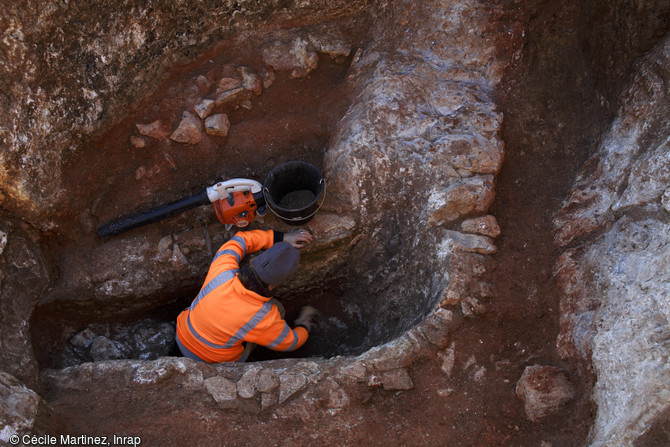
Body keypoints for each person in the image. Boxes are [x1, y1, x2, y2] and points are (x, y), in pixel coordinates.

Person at [175, 228, 316, 363]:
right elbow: (290, 343)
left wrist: (282, 237)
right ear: (272, 285)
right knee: (278, 308)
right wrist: (304, 325)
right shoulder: (263, 316)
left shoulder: (223, 269)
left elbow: (240, 239)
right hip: (213, 360)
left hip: (182, 334)